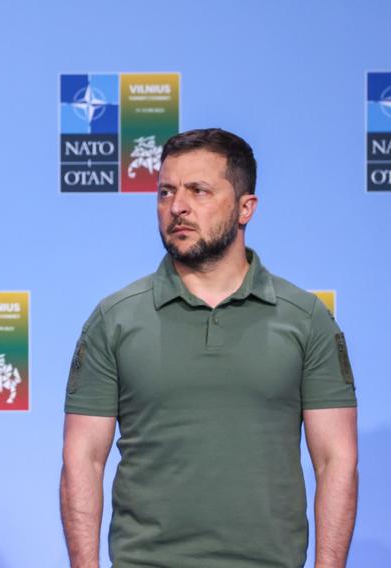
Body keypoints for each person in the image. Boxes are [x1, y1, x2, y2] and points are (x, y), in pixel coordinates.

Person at [61, 128, 358, 568]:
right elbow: (82, 461)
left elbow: (337, 462)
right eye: (165, 192)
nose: (176, 207)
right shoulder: (115, 318)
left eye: (198, 191)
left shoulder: (306, 318)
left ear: (245, 208)